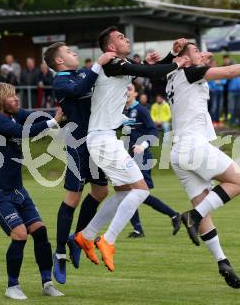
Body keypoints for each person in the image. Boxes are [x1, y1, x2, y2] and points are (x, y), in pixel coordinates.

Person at [74, 27, 188, 272]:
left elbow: (147, 71)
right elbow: (148, 71)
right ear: (110, 47)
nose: (126, 38)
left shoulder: (117, 65)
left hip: (104, 139)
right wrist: (178, 62)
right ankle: (108, 240)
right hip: (102, 140)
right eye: (120, 37)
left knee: (126, 193)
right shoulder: (113, 63)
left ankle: (87, 235)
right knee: (141, 191)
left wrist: (171, 55)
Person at [166, 41, 240, 289]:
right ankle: (190, 217)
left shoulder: (173, 75)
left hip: (177, 152)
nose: (201, 53)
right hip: (193, 145)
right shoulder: (190, 71)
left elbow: (183, 65)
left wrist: (195, 57)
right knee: (239, 181)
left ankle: (222, 262)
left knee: (204, 205)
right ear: (185, 58)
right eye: (195, 50)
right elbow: (228, 73)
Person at [0, 82, 64, 299]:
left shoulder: (14, 115)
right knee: (20, 234)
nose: (16, 99)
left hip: (16, 190)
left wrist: (66, 108)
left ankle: (47, 283)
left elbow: (36, 117)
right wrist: (54, 121)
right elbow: (23, 132)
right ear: (0, 100)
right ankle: (12, 286)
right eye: (11, 96)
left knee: (40, 231)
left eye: (16, 95)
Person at [43, 42, 114, 284]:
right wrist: (98, 64)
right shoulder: (61, 82)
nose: (74, 53)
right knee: (73, 197)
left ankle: (78, 237)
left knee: (101, 191)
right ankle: (60, 253)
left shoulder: (83, 72)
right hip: (77, 142)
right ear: (60, 61)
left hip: (96, 140)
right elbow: (83, 87)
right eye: (69, 52)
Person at [124, 83, 181, 238]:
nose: (126, 92)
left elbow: (153, 131)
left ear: (136, 94)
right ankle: (138, 229)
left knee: (139, 193)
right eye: (124, 89)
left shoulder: (141, 110)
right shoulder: (124, 111)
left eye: (129, 89)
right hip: (130, 157)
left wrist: (142, 145)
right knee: (130, 192)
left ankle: (174, 215)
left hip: (142, 157)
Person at [207, 60, 226, 126]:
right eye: (213, 63)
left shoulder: (220, 71)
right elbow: (208, 82)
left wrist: (218, 82)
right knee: (214, 107)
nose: (215, 65)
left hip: (220, 91)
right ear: (211, 65)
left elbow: (224, 81)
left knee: (219, 107)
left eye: (216, 63)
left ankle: (218, 121)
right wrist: (213, 86)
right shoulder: (209, 72)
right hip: (213, 92)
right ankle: (212, 121)